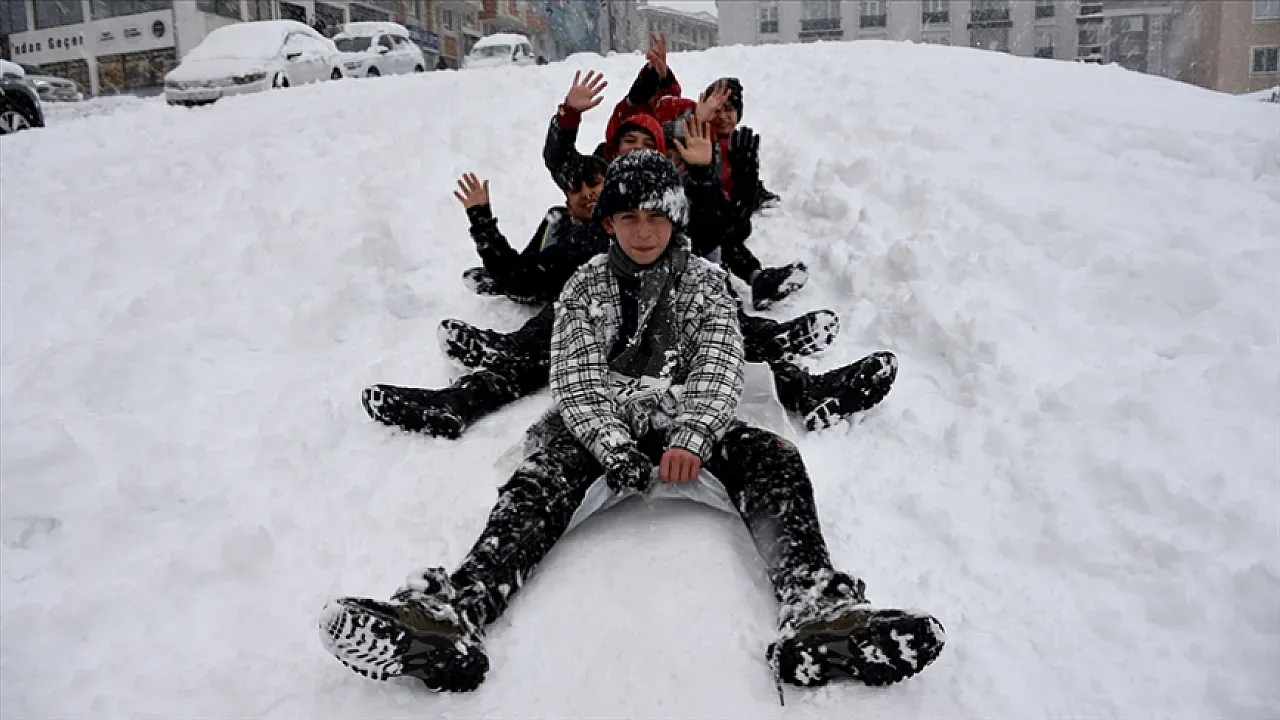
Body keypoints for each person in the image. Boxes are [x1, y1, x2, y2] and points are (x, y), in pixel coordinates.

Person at [319, 151, 945, 694]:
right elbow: (575, 377)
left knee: (774, 459)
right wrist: (612, 445)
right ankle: (453, 613)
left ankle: (817, 611)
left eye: (655, 216)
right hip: (606, 423)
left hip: (686, 416)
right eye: (628, 217)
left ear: (675, 219)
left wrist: (693, 435)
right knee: (538, 482)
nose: (643, 231)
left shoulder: (705, 284)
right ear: (609, 223)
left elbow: (720, 364)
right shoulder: (585, 287)